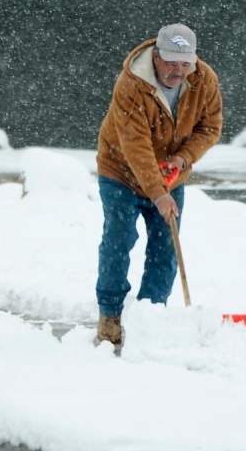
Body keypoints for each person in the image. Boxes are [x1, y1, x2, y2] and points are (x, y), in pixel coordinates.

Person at [95, 23, 223, 345]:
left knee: (165, 247)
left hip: (171, 173)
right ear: (156, 55)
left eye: (185, 63)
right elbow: (135, 146)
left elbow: (210, 128)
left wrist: (183, 158)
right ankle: (110, 315)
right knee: (119, 239)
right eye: (171, 62)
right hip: (121, 173)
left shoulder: (204, 79)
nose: (178, 71)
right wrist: (158, 193)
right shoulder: (132, 84)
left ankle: (151, 315)